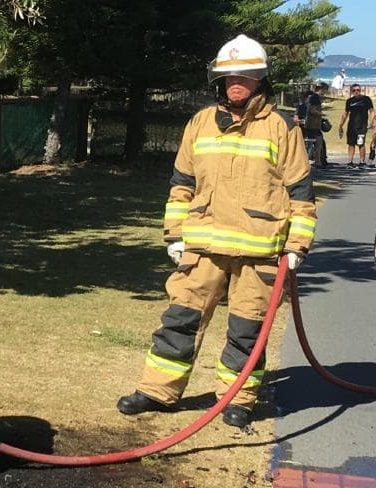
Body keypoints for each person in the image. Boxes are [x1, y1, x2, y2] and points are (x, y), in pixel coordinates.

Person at [116, 34, 315, 428]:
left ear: (261, 80)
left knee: (247, 330)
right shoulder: (200, 123)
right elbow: (181, 184)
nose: (236, 83)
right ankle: (158, 391)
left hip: (260, 253)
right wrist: (174, 233)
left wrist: (297, 246)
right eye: (229, 77)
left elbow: (301, 193)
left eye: (246, 76)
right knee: (180, 320)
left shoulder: (281, 128)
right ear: (217, 81)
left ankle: (238, 398)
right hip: (203, 247)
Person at [338, 83, 374, 168]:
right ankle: (350, 161)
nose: (356, 91)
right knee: (351, 144)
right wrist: (341, 125)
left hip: (362, 126)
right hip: (351, 126)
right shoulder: (349, 101)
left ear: (360, 90)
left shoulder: (366, 99)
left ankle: (362, 161)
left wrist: (371, 122)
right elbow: (345, 114)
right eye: (354, 90)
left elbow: (372, 111)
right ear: (351, 91)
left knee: (361, 143)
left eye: (358, 90)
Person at [304, 82, 330, 167]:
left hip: (314, 124)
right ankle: (315, 161)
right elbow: (312, 110)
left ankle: (318, 161)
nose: (325, 91)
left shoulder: (316, 97)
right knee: (315, 142)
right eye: (325, 89)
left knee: (318, 142)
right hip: (312, 124)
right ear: (321, 89)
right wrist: (322, 114)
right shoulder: (315, 97)